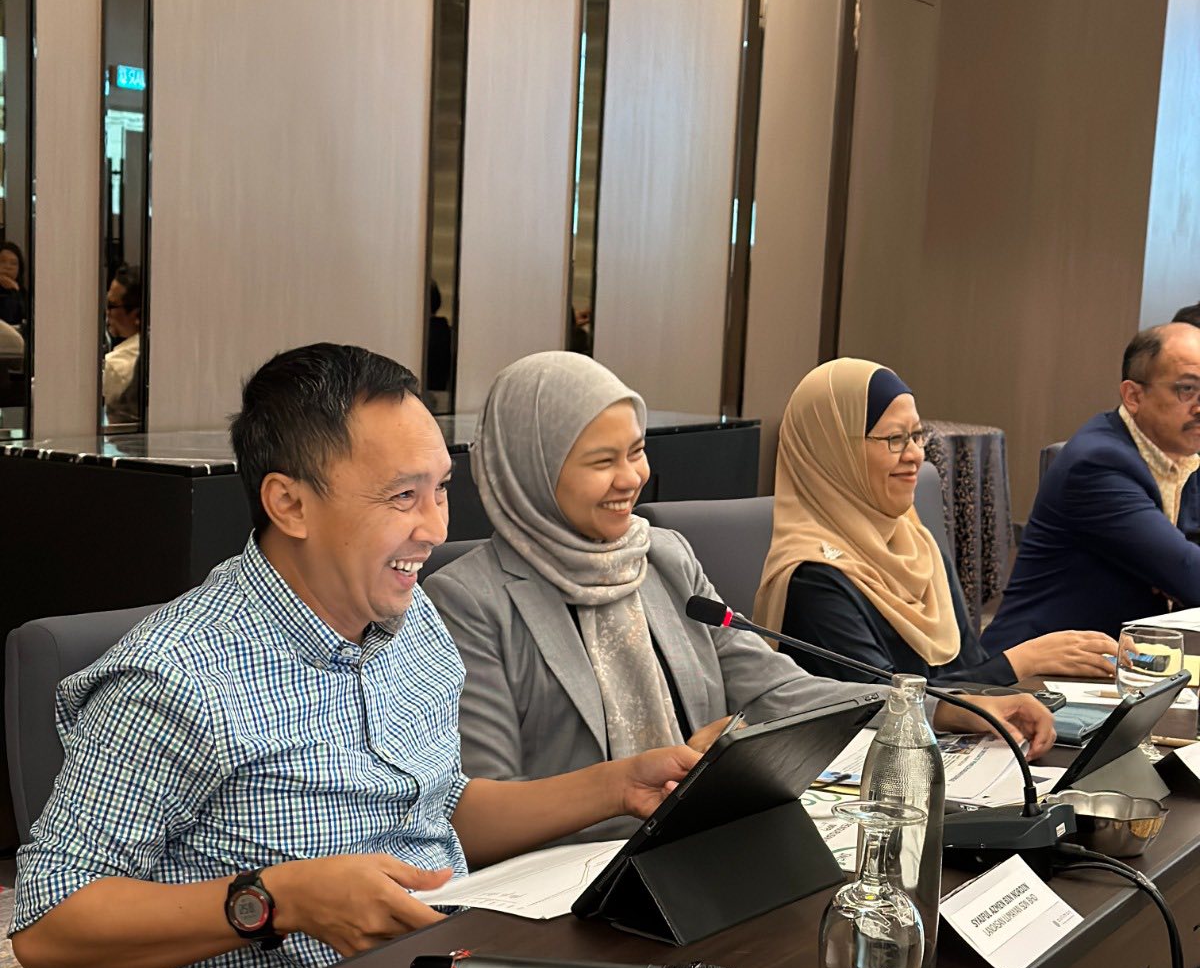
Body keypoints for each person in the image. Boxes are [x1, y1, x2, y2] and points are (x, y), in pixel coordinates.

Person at [9, 343, 699, 968]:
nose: (436, 528)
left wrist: (616, 787)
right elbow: (47, 924)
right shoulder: (177, 676)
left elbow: (437, 808)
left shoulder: (412, 618)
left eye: (441, 489)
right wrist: (278, 902)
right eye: (402, 497)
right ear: (290, 504)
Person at [424, 352, 1054, 799]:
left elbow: (779, 689)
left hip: (698, 841)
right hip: (566, 878)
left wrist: (940, 710)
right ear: (531, 470)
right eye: (601, 461)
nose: (631, 478)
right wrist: (654, 776)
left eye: (637, 451)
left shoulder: (662, 558)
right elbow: (483, 800)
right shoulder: (467, 601)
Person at [755, 358, 1116, 685]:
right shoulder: (813, 578)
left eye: (916, 435)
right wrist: (1023, 661)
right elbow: (883, 706)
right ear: (833, 451)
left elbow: (970, 670)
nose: (915, 455)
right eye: (894, 439)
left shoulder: (917, 545)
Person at [985, 323, 1200, 648]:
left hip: (1125, 655)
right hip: (1041, 666)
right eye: (1187, 389)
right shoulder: (1098, 463)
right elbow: (1188, 572)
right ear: (1133, 396)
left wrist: (1174, 566)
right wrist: (1173, 569)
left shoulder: (1185, 456)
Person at [103, 264, 142, 425]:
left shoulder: (116, 365)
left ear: (137, 314)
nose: (107, 312)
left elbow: (115, 429)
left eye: (112, 305)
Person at [0, 238, 27, 329]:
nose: (8, 267)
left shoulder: (23, 294)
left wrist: (14, 291)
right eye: (2, 261)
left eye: (13, 263)